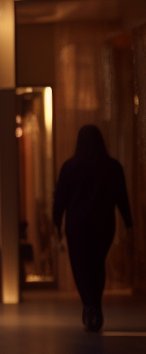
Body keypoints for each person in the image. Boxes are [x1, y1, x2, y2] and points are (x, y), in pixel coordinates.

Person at [52, 125, 133, 332]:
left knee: (80, 267)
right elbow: (121, 198)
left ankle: (89, 305)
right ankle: (95, 305)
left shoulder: (69, 167)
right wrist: (129, 224)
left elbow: (60, 199)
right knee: (97, 265)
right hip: (104, 225)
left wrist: (56, 223)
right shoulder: (113, 167)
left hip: (77, 226)